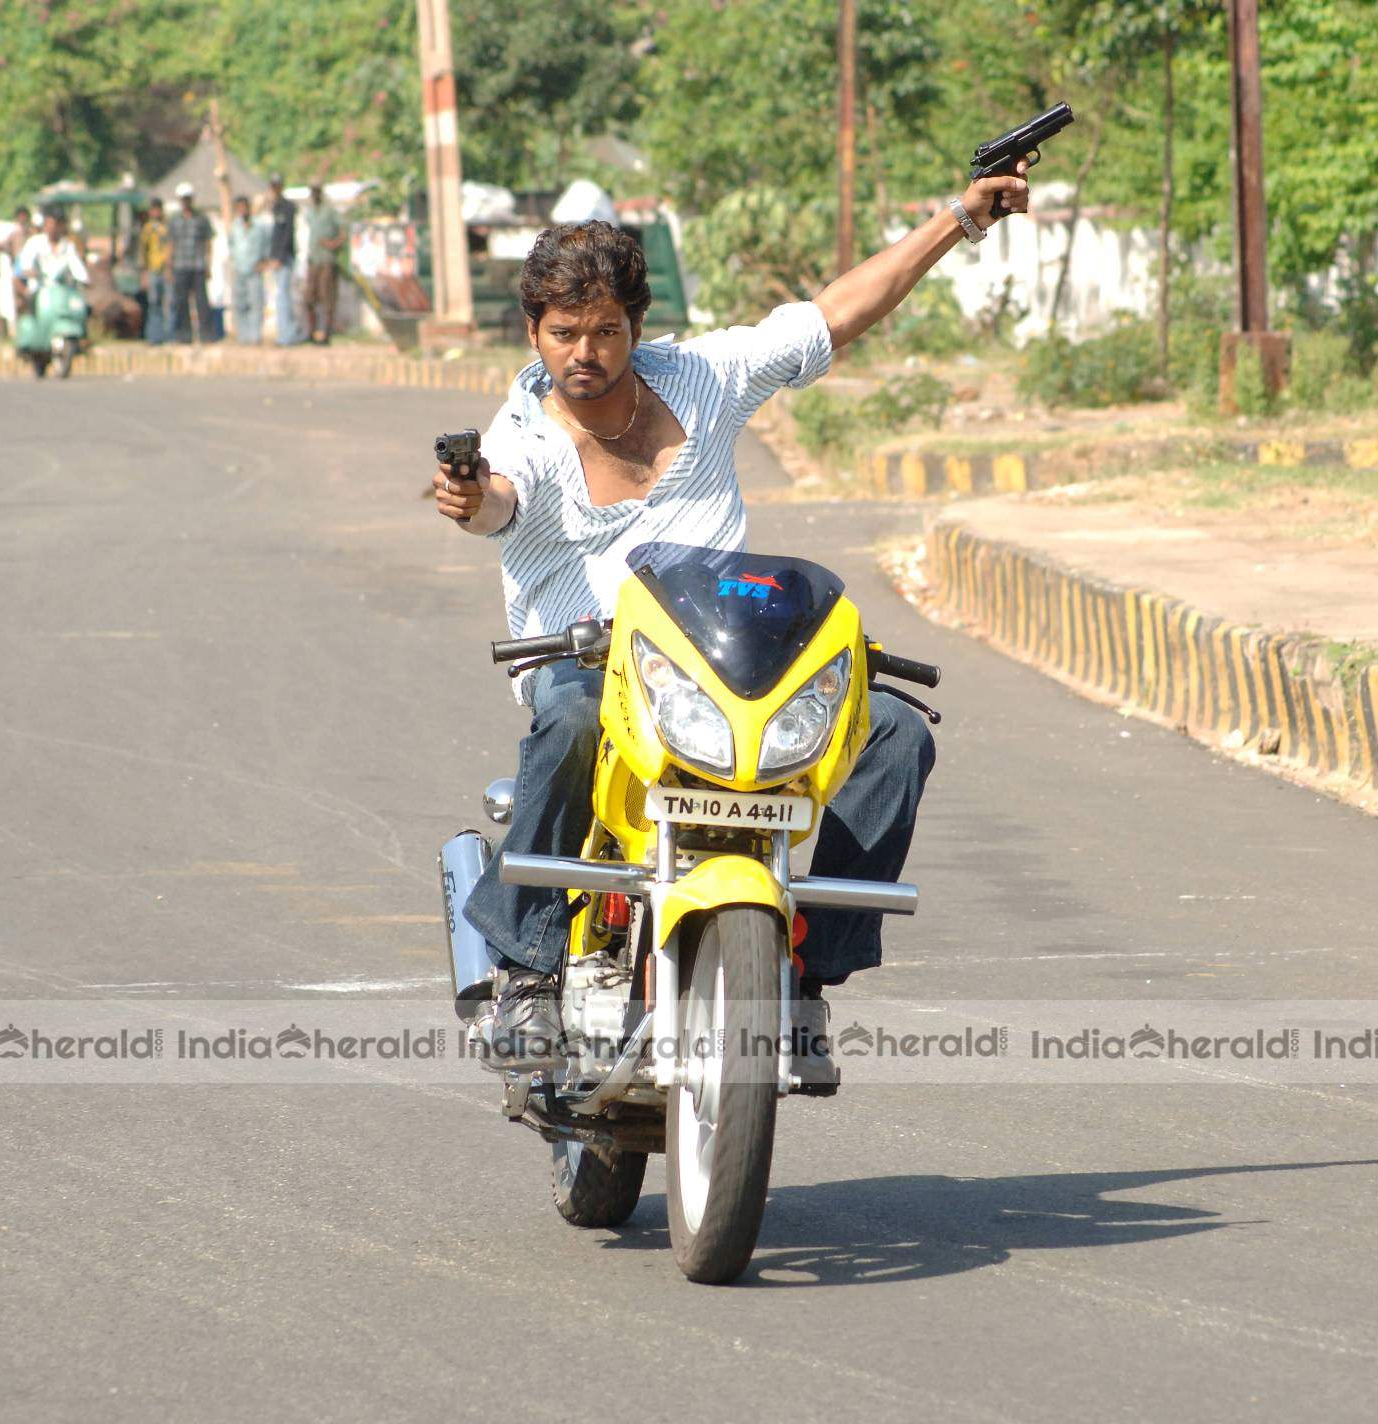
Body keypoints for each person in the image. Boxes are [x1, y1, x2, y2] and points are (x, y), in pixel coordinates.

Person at [437, 161, 1034, 1069]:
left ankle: (802, 974)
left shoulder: (707, 378)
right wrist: (468, 495)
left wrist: (958, 215)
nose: (584, 354)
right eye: (564, 334)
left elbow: (837, 314)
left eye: (606, 331)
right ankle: (528, 971)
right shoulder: (523, 432)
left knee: (894, 740)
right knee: (566, 713)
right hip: (593, 663)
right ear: (534, 331)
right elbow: (499, 504)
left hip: (728, 663)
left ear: (638, 328)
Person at [165, 183, 214, 345]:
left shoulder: (201, 219)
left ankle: (206, 335)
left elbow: (208, 242)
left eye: (187, 198)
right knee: (181, 302)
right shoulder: (174, 220)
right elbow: (170, 244)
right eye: (183, 199)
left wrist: (208, 264)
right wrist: (169, 266)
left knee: (202, 301)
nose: (185, 202)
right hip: (180, 265)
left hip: (198, 265)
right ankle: (184, 336)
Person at [302, 183, 345, 343]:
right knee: (309, 298)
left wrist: (333, 244)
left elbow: (343, 232)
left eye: (316, 192)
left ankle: (326, 334)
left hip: (327, 260)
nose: (314, 195)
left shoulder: (330, 211)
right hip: (314, 260)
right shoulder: (310, 212)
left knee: (327, 298)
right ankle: (311, 333)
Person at [265, 173, 302, 346]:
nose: (274, 189)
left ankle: (287, 336)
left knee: (282, 296)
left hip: (284, 258)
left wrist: (279, 257)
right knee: (281, 296)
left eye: (276, 185)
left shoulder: (287, 207)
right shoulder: (274, 207)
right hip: (275, 258)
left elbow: (287, 235)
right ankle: (287, 332)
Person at [225, 193, 267, 345]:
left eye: (244, 207)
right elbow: (231, 246)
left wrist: (263, 262)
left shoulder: (259, 226)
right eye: (239, 207)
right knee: (240, 304)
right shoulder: (234, 227)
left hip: (254, 269)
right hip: (239, 269)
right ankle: (243, 336)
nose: (242, 210)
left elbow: (266, 246)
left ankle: (255, 336)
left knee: (256, 303)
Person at [138, 198, 170, 345]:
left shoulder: (167, 227)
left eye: (158, 209)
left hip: (166, 270)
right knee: (153, 304)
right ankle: (154, 337)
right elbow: (143, 253)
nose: (156, 212)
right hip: (153, 270)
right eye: (153, 209)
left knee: (169, 303)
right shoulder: (147, 229)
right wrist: (144, 274)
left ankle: (169, 335)